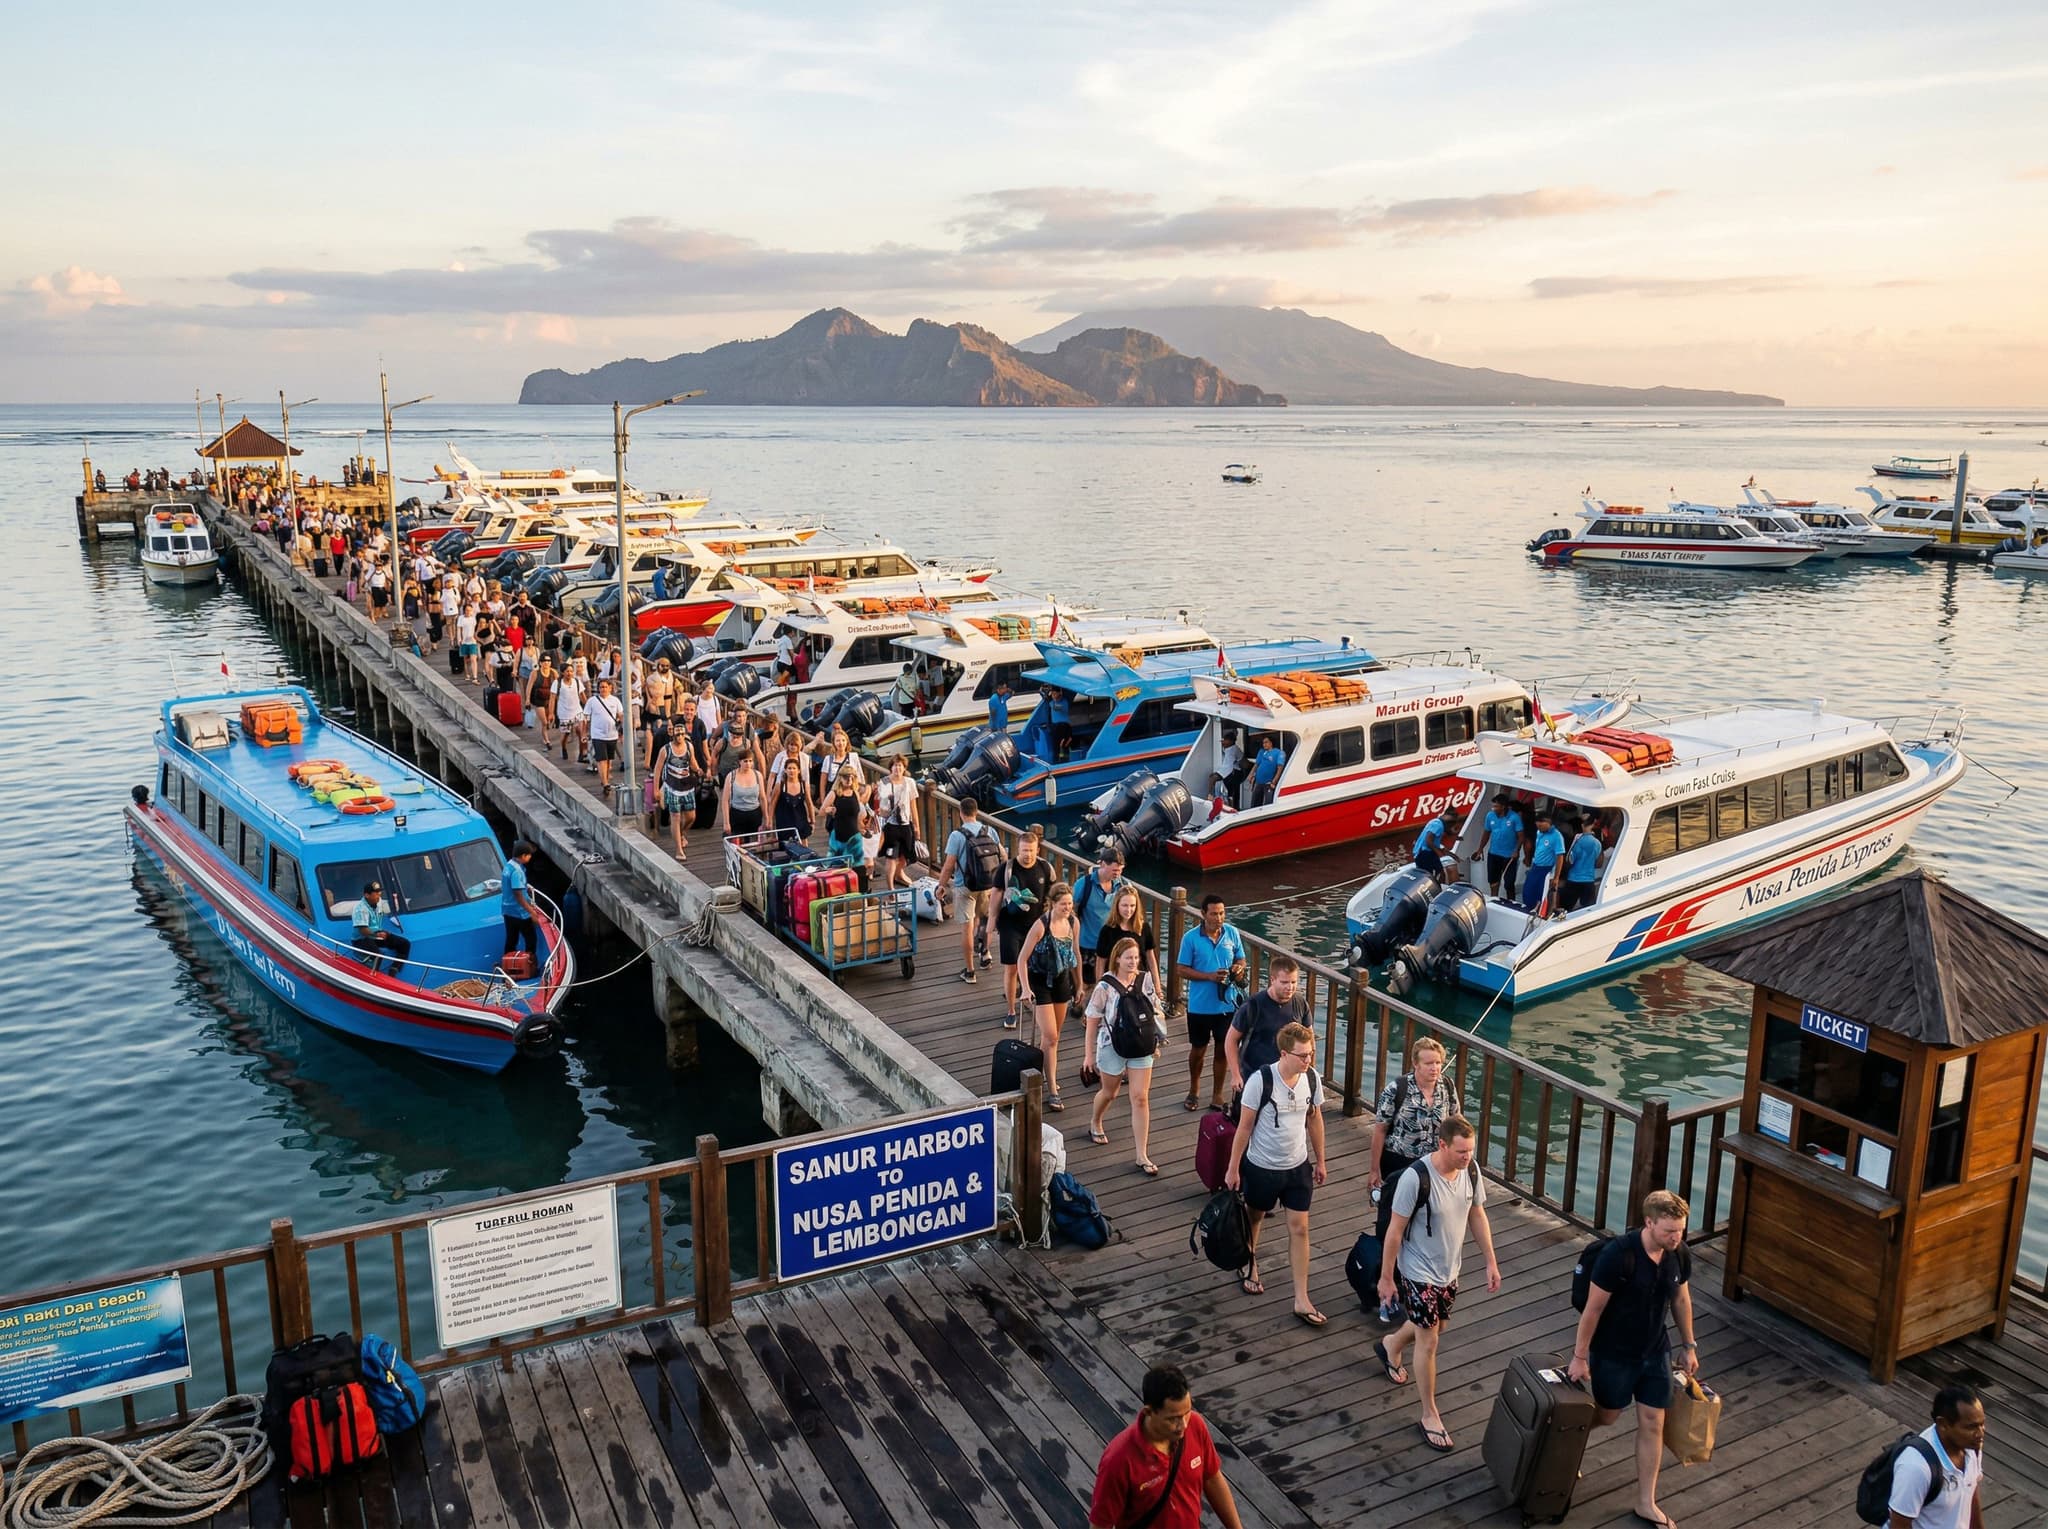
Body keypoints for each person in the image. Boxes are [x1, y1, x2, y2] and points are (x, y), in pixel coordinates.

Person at [1565, 1189, 1700, 1529]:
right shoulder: (1618, 1256)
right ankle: (1565, 1444)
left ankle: (1646, 1502)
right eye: (1669, 1230)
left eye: (1680, 1230)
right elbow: (1593, 1310)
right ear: (1649, 1222)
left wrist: (1689, 1345)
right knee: (1607, 1416)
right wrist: (1580, 1357)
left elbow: (1681, 1300)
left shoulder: (1678, 1253)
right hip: (1614, 1353)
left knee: (1654, 1422)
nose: (1676, 1237)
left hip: (1656, 1351)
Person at [1376, 1115, 1500, 1453]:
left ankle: (1390, 1345)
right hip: (1417, 1270)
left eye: (1471, 1151)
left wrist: (1490, 1260)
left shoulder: (1471, 1172)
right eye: (1461, 1151)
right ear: (1442, 1144)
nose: (1467, 1157)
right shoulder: (1416, 1178)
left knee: (1435, 1326)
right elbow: (1395, 1232)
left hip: (1450, 1269)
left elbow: (1477, 1214)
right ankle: (1430, 1414)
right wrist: (1387, 1279)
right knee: (1428, 1341)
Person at [1224, 1022, 1329, 1325]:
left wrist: (1320, 1160)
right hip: (1262, 1165)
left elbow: (1315, 1119)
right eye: (1302, 1055)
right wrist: (1233, 1168)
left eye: (1310, 1054)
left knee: (1300, 1228)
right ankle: (1249, 1263)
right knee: (1254, 1217)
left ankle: (1301, 1297)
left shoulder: (1311, 1078)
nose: (1308, 1060)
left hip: (1297, 1166)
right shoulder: (1261, 1081)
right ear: (1284, 1053)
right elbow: (1244, 1127)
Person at [1367, 1037, 1462, 1322]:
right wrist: (1374, 1171)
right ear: (1415, 1064)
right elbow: (1380, 1130)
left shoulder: (1447, 1087)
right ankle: (1385, 1289)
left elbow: (1456, 1123)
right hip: (1399, 1165)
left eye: (1438, 1063)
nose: (1435, 1069)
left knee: (1423, 1228)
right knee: (1392, 1228)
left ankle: (1415, 1290)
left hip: (1433, 1167)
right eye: (1428, 1063)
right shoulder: (1397, 1089)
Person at [1087, 1365, 1243, 1529]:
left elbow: (1212, 1479)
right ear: (1149, 1411)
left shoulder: (1195, 1425)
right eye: (1173, 1419)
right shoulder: (1118, 1460)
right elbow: (1100, 1525)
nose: (1183, 1425)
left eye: (1187, 1412)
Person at [1082, 936, 1162, 1172]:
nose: (1133, 962)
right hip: (1111, 1045)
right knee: (1110, 1092)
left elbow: (1155, 1010)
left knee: (1140, 1097)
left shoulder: (1145, 980)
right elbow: (1092, 1021)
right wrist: (1089, 1055)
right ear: (1117, 958)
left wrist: (1157, 1038)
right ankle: (1095, 1120)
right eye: (1128, 958)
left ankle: (1142, 1155)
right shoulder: (1105, 986)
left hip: (1141, 1044)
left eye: (1136, 957)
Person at [1175, 894, 1247, 1113]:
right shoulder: (1190, 938)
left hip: (1227, 1004)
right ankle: (1194, 1089)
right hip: (1199, 1005)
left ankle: (1217, 1094)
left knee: (1223, 1050)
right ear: (1203, 914)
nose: (1219, 918)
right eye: (1214, 913)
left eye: (1222, 913)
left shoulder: (1232, 933)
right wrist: (1208, 976)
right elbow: (1180, 969)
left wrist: (1238, 967)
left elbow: (1241, 958)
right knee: (1198, 1049)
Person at [1016, 883, 1082, 1110]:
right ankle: (1052, 1089)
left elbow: (1076, 953)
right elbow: (1021, 959)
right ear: (1052, 903)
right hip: (1040, 981)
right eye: (1063, 904)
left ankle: (1045, 1073)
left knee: (1053, 1037)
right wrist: (1025, 988)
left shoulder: (1073, 922)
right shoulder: (1040, 926)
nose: (1067, 908)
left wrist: (1079, 984)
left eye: (1070, 904)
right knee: (1051, 1035)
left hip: (1062, 980)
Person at [1884, 1385, 1986, 1529]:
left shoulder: (1972, 1447)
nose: (1980, 1433)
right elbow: (1899, 1524)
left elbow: (1971, 1490)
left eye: (1982, 1424)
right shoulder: (1916, 1467)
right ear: (1943, 1425)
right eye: (1971, 1427)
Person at [990, 828, 1055, 1030]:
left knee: (1034, 966)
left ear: (1038, 850)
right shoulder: (1006, 868)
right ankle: (1011, 1010)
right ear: (1018, 849)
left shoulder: (1045, 868)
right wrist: (991, 923)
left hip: (1036, 927)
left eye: (1031, 850)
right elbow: (996, 894)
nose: (1028, 855)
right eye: (1024, 850)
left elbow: (1052, 896)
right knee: (1011, 968)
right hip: (1010, 925)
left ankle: (1029, 994)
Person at [1223, 954, 1307, 1099]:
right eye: (1284, 982)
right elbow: (1231, 1040)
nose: (1290, 987)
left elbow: (1308, 1039)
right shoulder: (1253, 1006)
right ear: (1272, 980)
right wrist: (1236, 1075)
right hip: (1254, 1077)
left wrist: (1308, 1072)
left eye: (1294, 982)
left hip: (1289, 1079)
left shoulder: (1299, 1003)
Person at [938, 796, 999, 984]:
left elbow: (949, 865)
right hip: (988, 884)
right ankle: (986, 954)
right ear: (977, 811)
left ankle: (970, 972)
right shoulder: (990, 831)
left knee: (967, 927)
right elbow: (1002, 857)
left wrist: (941, 885)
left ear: (961, 813)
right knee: (986, 920)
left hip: (965, 886)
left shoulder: (957, 835)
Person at [1072, 845, 1131, 990]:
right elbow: (1072, 909)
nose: (1118, 874)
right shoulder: (1084, 884)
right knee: (1085, 982)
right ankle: (1079, 1005)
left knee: (1110, 981)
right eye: (1114, 870)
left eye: (1120, 870)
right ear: (1103, 864)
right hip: (1087, 942)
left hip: (1112, 944)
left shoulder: (1123, 886)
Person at [1095, 884, 1161, 993]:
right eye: (1124, 905)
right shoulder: (1107, 930)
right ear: (1117, 905)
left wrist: (1157, 987)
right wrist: (1100, 987)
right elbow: (1101, 961)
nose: (1129, 910)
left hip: (1139, 983)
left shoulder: (1143, 927)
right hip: (1114, 984)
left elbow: (1151, 958)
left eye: (1132, 905)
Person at [654, 727, 701, 860]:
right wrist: (656, 790)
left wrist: (698, 770)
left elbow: (692, 763)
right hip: (672, 786)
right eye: (677, 734)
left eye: (682, 734)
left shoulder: (689, 746)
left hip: (686, 785)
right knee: (675, 816)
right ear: (672, 735)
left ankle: (681, 833)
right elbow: (658, 769)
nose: (680, 737)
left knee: (691, 817)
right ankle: (678, 849)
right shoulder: (666, 750)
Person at [873, 755, 920, 891]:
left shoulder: (910, 782)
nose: (897, 768)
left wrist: (916, 826)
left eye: (900, 765)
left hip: (906, 825)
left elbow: (913, 805)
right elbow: (881, 809)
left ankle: (899, 873)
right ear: (890, 768)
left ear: (904, 768)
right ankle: (890, 888)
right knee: (891, 858)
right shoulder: (885, 783)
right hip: (891, 826)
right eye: (895, 765)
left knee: (906, 856)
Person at [350, 882, 411, 977]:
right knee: (377, 954)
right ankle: (372, 976)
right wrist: (377, 935)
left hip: (377, 934)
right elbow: (363, 930)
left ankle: (394, 970)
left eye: (379, 892)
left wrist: (383, 933)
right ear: (367, 895)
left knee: (404, 944)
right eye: (376, 893)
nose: (379, 894)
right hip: (362, 939)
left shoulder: (379, 902)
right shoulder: (360, 909)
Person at [501, 840, 542, 963]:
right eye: (529, 855)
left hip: (507, 910)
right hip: (520, 912)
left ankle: (507, 963)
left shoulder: (508, 865)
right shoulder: (517, 872)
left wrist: (525, 886)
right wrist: (531, 912)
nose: (530, 857)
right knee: (531, 939)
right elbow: (518, 895)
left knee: (511, 939)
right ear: (523, 856)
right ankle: (530, 963)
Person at [824, 758, 868, 865]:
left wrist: (862, 827)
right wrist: (829, 810)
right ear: (840, 778)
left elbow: (857, 814)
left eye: (851, 777)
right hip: (839, 835)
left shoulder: (855, 793)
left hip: (854, 834)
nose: (849, 780)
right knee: (836, 865)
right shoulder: (834, 793)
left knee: (857, 864)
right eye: (846, 777)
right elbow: (822, 810)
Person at [585, 677, 625, 793]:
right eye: (601, 687)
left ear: (610, 688)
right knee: (601, 759)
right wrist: (585, 733)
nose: (603, 689)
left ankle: (605, 779)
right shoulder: (592, 701)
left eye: (605, 687)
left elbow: (620, 715)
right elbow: (586, 718)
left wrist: (622, 729)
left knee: (609, 761)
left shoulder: (615, 701)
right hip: (597, 734)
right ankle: (605, 783)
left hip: (612, 734)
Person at [1557, 816, 1604, 913]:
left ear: (1582, 825)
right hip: (1589, 880)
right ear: (1592, 825)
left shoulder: (1577, 841)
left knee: (1565, 910)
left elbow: (1570, 861)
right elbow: (1599, 864)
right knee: (1588, 911)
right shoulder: (1597, 843)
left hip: (1573, 880)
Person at [1522, 809, 1566, 914]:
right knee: (1527, 891)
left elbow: (1560, 857)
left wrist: (1556, 877)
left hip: (1546, 870)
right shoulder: (1539, 832)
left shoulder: (1557, 836)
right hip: (1536, 866)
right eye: (1537, 826)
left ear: (1548, 823)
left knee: (1541, 894)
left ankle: (1540, 914)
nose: (1539, 828)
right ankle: (1529, 910)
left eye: (1541, 826)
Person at [1482, 794, 1523, 902]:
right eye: (1493, 806)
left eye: (1496, 806)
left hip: (1509, 856)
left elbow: (1521, 836)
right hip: (1493, 853)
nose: (1493, 809)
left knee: (1509, 883)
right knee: (1493, 881)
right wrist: (1480, 848)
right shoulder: (1489, 816)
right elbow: (1486, 833)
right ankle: (1493, 900)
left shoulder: (1514, 817)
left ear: (1503, 806)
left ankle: (1512, 903)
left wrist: (1516, 850)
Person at [765, 759, 813, 845]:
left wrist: (812, 820)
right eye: (789, 768)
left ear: (798, 770)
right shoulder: (780, 785)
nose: (791, 771)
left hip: (800, 817)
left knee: (803, 840)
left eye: (794, 768)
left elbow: (809, 802)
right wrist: (770, 820)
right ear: (785, 770)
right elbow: (772, 803)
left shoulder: (804, 784)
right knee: (786, 844)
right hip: (784, 818)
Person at [720, 751, 766, 838]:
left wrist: (766, 818)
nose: (748, 764)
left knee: (756, 844)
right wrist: (726, 823)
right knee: (738, 844)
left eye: (750, 761)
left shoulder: (758, 775)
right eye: (745, 761)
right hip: (737, 814)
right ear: (739, 762)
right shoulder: (731, 776)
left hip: (755, 813)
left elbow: (763, 798)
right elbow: (725, 800)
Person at [1411, 808, 1459, 880]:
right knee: (1436, 873)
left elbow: (1446, 832)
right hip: (1424, 854)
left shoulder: (1435, 821)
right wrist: (1440, 854)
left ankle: (1438, 883)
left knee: (1440, 870)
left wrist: (1455, 836)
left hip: (1425, 852)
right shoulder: (1438, 825)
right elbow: (1429, 841)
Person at [1211, 730, 1246, 810]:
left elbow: (1244, 763)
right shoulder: (1225, 749)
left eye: (1224, 740)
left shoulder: (1235, 750)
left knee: (1232, 793)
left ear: (1230, 741)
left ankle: (1233, 808)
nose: (1222, 742)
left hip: (1235, 773)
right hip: (1226, 772)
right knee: (1226, 791)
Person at [1249, 735, 1286, 808]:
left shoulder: (1279, 753)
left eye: (1266, 742)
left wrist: (1274, 781)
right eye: (1263, 743)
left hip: (1269, 783)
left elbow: (1280, 768)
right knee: (1255, 804)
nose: (1264, 744)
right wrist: (1251, 775)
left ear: (1271, 743)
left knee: (1268, 805)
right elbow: (1256, 764)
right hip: (1258, 782)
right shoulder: (1261, 751)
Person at [1046, 685, 1073, 761]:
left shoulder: (1064, 702)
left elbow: (1056, 708)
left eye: (1055, 693)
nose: (1053, 695)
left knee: (1064, 745)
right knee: (1055, 746)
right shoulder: (1052, 702)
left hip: (1064, 726)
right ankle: (1056, 760)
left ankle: (1065, 760)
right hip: (1055, 727)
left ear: (1059, 693)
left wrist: (1050, 700)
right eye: (1052, 693)